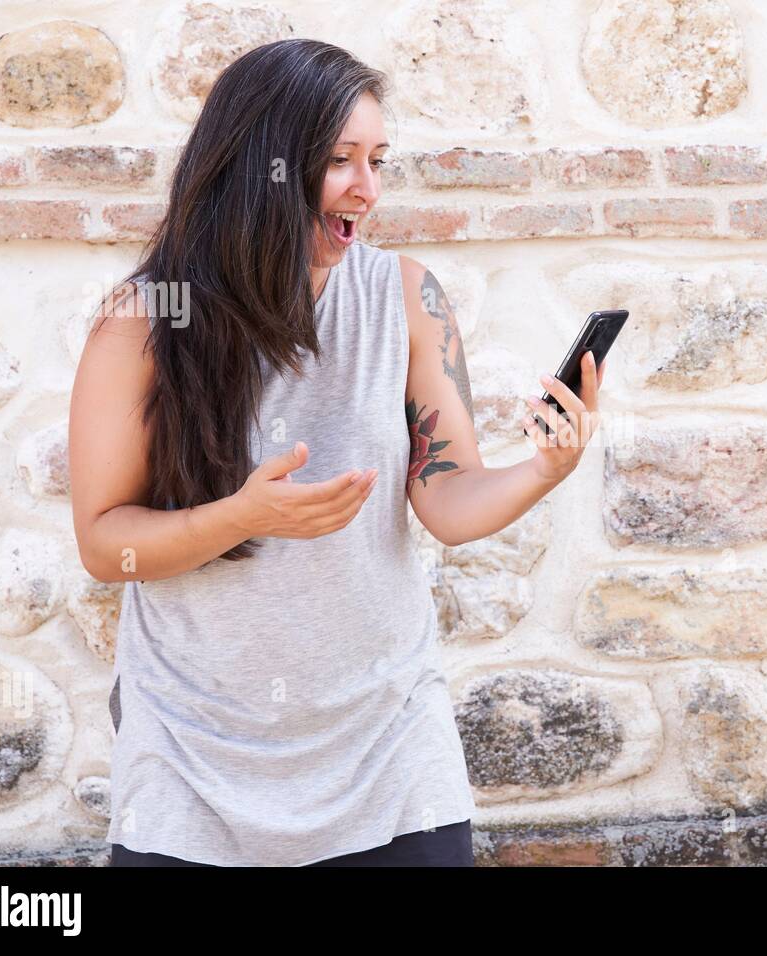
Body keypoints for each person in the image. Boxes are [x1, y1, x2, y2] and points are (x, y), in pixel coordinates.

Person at [69, 38, 606, 867]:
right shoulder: (145, 320)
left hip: (389, 749)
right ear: (260, 167)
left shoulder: (407, 297)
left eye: (379, 160)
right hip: (192, 758)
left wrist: (544, 468)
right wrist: (242, 517)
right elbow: (107, 545)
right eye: (339, 160)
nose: (368, 188)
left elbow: (448, 500)